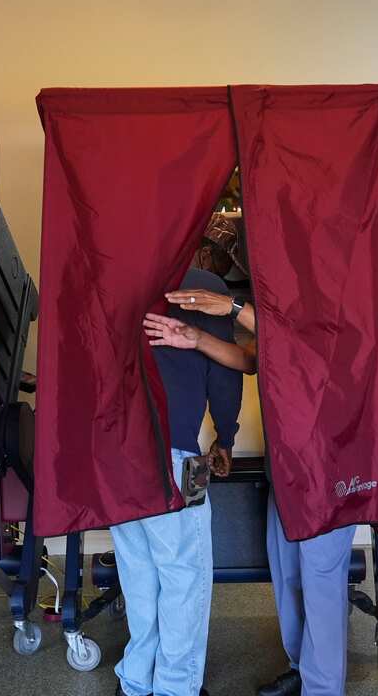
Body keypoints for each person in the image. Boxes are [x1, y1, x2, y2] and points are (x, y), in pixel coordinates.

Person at [160, 285, 353, 696]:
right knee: (288, 572)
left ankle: (323, 688)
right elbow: (252, 359)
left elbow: (308, 350)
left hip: (328, 463)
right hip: (287, 464)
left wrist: (234, 309)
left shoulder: (339, 295)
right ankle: (302, 668)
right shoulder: (285, 297)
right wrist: (197, 338)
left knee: (320, 576)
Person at [112, 267, 243, 696]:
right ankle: (175, 688)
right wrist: (225, 436)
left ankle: (135, 681)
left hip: (113, 458)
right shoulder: (203, 285)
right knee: (185, 574)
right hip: (179, 456)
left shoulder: (111, 274)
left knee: (138, 574)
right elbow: (225, 374)